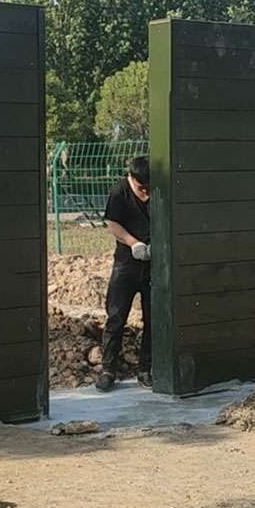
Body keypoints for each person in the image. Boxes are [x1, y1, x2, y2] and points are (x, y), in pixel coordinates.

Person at [95, 156, 152, 392]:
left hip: (154, 264)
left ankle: (146, 369)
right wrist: (133, 243)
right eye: (141, 187)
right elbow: (113, 223)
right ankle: (108, 370)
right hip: (127, 264)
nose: (146, 192)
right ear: (131, 178)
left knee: (153, 318)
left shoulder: (158, 190)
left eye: (149, 187)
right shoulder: (119, 192)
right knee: (116, 316)